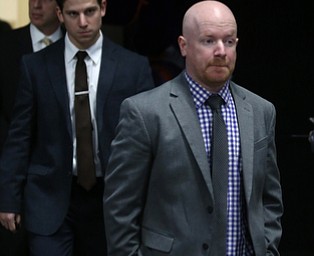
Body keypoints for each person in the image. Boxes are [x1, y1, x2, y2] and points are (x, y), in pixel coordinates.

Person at [104, 1, 283, 256]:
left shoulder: (260, 111)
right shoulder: (145, 113)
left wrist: (268, 248)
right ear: (183, 46)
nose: (221, 51)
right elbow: (120, 209)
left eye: (229, 41)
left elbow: (270, 200)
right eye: (209, 41)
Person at [0, 0, 154, 255]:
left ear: (103, 8)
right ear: (60, 14)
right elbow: (20, 137)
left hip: (111, 196)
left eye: (89, 12)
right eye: (73, 14)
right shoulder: (36, 65)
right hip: (50, 194)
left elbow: (148, 139)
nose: (83, 22)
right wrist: (8, 197)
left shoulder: (133, 67)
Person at [0, 1, 63, 255]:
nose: (36, 5)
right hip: (10, 175)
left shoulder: (77, 46)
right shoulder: (4, 44)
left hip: (63, 185)